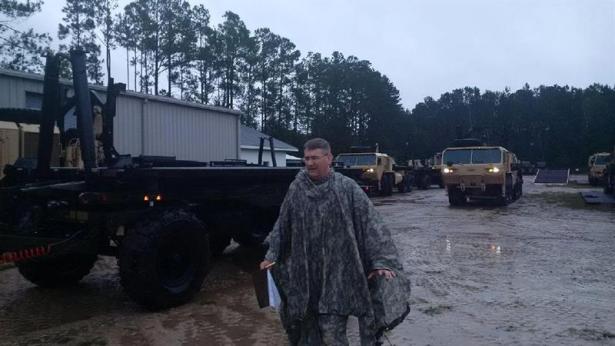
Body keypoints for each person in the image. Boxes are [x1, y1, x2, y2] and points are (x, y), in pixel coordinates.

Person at [260, 138, 408, 345]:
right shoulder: (297, 188)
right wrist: (271, 255)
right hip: (306, 278)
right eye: (307, 158)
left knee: (332, 334)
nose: (310, 163)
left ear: (328, 158)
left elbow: (372, 224)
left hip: (339, 277)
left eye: (315, 158)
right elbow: (283, 224)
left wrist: (381, 261)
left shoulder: (346, 188)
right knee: (307, 330)